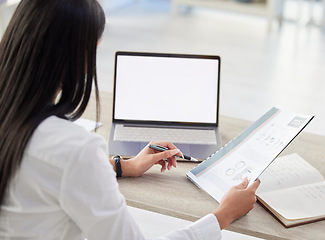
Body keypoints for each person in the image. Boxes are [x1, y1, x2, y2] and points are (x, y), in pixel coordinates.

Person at [0, 0, 260, 239]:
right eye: (93, 51)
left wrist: (122, 166)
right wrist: (222, 215)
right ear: (74, 58)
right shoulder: (75, 148)